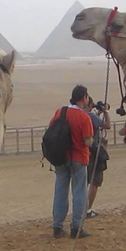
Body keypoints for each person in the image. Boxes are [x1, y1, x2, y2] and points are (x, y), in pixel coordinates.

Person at [50, 85, 94, 239]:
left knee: (60, 191)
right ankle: (76, 227)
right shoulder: (84, 117)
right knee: (79, 192)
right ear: (84, 97)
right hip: (79, 159)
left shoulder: (59, 112)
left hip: (60, 158)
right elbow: (88, 142)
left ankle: (57, 226)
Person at [84, 97, 111, 218]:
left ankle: (80, 208)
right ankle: (87, 210)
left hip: (83, 152)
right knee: (95, 181)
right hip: (94, 152)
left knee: (83, 182)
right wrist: (106, 112)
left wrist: (98, 113)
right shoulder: (89, 115)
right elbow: (107, 125)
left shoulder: (80, 114)